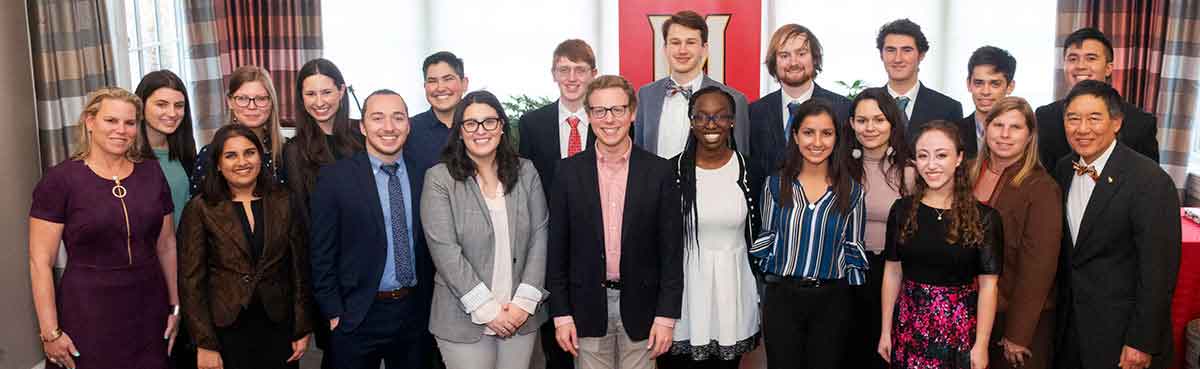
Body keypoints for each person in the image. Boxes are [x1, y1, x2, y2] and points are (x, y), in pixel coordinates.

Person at [29, 87, 179, 369]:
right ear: (89, 121)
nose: (121, 130)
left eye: (130, 123)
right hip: (88, 310)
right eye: (111, 121)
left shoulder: (151, 172)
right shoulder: (60, 180)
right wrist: (50, 332)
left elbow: (167, 244)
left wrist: (175, 306)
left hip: (149, 307)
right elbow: (40, 262)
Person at [546, 75, 683, 369]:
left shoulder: (660, 172)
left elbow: (671, 252)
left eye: (618, 110)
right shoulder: (567, 173)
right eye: (599, 111)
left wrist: (666, 317)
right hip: (585, 310)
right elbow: (556, 249)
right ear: (589, 115)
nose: (609, 119)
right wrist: (561, 314)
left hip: (644, 312)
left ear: (632, 113)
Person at [1053, 80, 1179, 369]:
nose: (1082, 129)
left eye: (1094, 118)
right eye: (1073, 119)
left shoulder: (1149, 181)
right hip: (1070, 331)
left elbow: (1158, 271)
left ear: (1117, 122)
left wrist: (1141, 341)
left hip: (1122, 335)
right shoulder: (1063, 169)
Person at [422, 90, 548, 369]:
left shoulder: (526, 172)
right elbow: (444, 250)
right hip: (462, 318)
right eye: (471, 123)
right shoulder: (439, 179)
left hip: (519, 314)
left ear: (502, 126)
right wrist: (488, 310)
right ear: (460, 132)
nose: (481, 130)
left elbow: (540, 236)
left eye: (489, 121)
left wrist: (523, 305)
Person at [310, 90, 435, 369]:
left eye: (397, 118)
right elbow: (321, 253)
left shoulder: (426, 174)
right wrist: (333, 311)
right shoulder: (335, 178)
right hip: (356, 315)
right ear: (363, 127)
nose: (388, 127)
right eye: (378, 118)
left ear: (408, 125)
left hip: (413, 314)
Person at [178, 124, 313, 369]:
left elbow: (299, 269)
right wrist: (205, 343)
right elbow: (190, 281)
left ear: (260, 157)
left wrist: (302, 328)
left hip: (278, 325)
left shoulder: (284, 201)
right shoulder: (201, 208)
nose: (242, 162)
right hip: (225, 330)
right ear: (218, 164)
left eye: (249, 153)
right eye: (231, 155)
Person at [750, 99, 866, 368]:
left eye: (826, 133)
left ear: (837, 138)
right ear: (795, 135)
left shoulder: (852, 191)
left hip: (832, 303)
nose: (817, 142)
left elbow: (853, 251)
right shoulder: (775, 185)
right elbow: (765, 243)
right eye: (808, 132)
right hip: (783, 300)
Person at [878, 120, 1002, 369]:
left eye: (941, 155)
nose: (931, 165)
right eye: (923, 156)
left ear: (959, 159)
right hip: (908, 328)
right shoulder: (901, 210)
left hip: (958, 332)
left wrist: (981, 344)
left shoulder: (985, 217)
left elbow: (989, 286)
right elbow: (892, 272)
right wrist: (885, 330)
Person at [660, 86, 760, 369]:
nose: (711, 124)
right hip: (683, 297)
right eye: (702, 117)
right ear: (691, 122)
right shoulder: (669, 172)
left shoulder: (751, 171)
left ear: (732, 121)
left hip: (733, 293)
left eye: (719, 116)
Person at [967, 97, 1061, 369]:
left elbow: (1039, 268)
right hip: (970, 310)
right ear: (986, 128)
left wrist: (1018, 334)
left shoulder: (1042, 188)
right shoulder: (967, 173)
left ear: (1030, 135)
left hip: (1015, 318)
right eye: (998, 125)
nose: (1005, 134)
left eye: (1016, 127)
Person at [844, 87, 912, 369]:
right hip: (846, 277)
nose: (869, 127)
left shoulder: (910, 171)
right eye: (862, 120)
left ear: (892, 123)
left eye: (878, 119)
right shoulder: (839, 168)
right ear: (851, 124)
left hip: (892, 275)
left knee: (884, 357)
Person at [749, 24, 852, 196]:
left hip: (828, 214)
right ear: (774, 62)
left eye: (801, 54)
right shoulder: (754, 112)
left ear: (815, 58)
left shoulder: (843, 109)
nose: (793, 62)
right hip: (769, 216)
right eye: (784, 55)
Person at [1036, 27, 1159, 169]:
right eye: (1073, 59)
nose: (1080, 66)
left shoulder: (1140, 123)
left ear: (1108, 68)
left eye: (1091, 58)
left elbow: (1149, 183)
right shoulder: (1045, 117)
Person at [634, 10, 749, 159]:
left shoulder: (733, 99)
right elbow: (639, 154)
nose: (682, 50)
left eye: (690, 42)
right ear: (665, 48)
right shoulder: (646, 95)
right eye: (675, 42)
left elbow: (741, 162)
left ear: (704, 49)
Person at [518, 39, 598, 200]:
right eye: (564, 70)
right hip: (549, 220)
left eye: (580, 70)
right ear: (554, 74)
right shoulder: (531, 124)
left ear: (593, 74)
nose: (572, 78)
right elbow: (525, 183)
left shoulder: (607, 122)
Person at [190, 65, 286, 195]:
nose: (252, 106)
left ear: (271, 102)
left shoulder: (288, 151)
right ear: (230, 101)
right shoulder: (210, 155)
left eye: (261, 98)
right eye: (242, 98)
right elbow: (197, 209)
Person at [284, 58, 364, 209]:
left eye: (326, 92)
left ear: (341, 91)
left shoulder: (363, 133)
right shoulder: (294, 150)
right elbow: (302, 212)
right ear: (301, 97)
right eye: (311, 94)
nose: (319, 102)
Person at [875, 19, 963, 140]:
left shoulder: (948, 109)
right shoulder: (867, 105)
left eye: (907, 50)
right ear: (881, 55)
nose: (898, 59)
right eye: (891, 50)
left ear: (921, 55)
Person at [136, 69, 198, 226]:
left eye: (178, 105)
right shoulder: (126, 156)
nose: (172, 113)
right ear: (140, 107)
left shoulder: (186, 153)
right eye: (161, 105)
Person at [408, 51, 470, 175]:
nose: (440, 88)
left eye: (448, 79)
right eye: (432, 81)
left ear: (464, 83)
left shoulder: (482, 126)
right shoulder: (409, 129)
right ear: (425, 86)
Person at [960, 46, 1017, 159]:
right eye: (978, 83)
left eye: (995, 84)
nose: (985, 92)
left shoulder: (1024, 135)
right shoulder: (953, 134)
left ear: (1010, 87)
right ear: (968, 84)